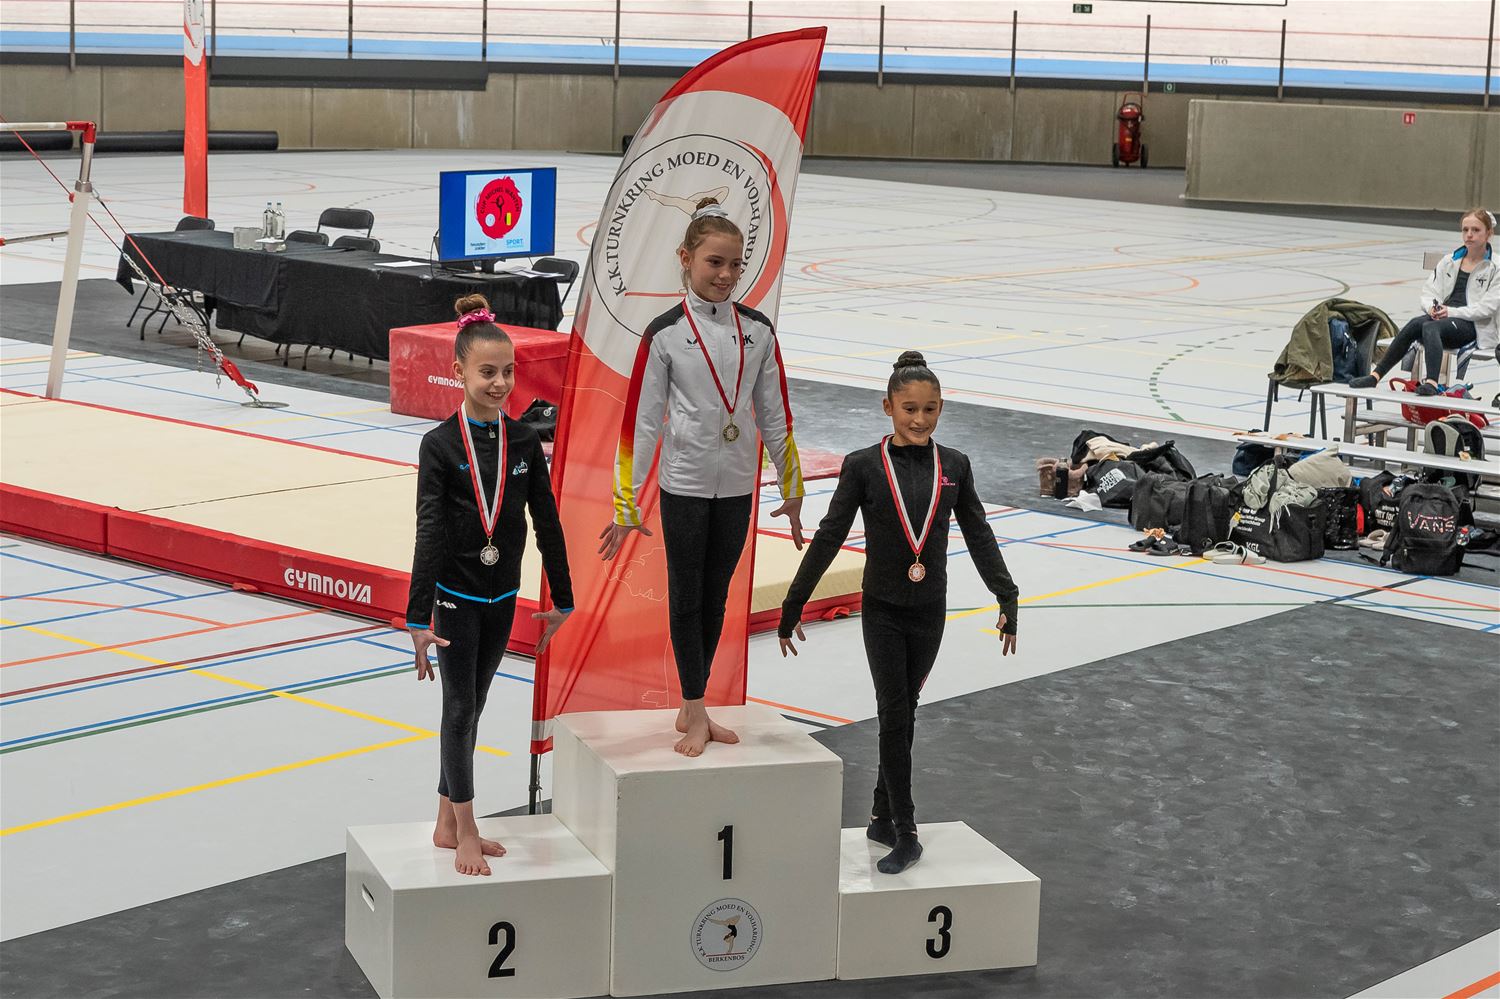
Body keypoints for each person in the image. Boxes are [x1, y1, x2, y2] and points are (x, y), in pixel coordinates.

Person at [778, 351, 1020, 875]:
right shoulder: (864, 465)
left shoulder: (954, 466)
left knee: (905, 709)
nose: (920, 419)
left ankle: (880, 816)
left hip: (930, 610)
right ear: (887, 407)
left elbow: (979, 533)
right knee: (893, 712)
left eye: (930, 409)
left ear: (941, 409)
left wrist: (1007, 596)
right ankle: (907, 833)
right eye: (909, 408)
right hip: (883, 609)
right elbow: (830, 535)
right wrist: (794, 602)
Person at [599, 197, 805, 758]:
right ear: (686, 258)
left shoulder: (758, 331)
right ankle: (694, 705)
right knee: (687, 597)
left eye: (736, 264)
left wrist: (791, 488)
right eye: (715, 262)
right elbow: (641, 424)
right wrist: (625, 503)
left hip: (737, 486)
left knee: (716, 600)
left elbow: (776, 415)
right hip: (685, 485)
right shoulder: (665, 333)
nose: (727, 275)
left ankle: (695, 705)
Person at [407, 294, 574, 877]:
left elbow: (547, 521)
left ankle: (444, 821)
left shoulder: (524, 441)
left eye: (508, 372)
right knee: (459, 710)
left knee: (473, 708)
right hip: (454, 596)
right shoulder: (439, 445)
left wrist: (564, 598)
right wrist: (417, 616)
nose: (500, 383)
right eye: (487, 372)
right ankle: (468, 829)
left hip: (502, 595)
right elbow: (429, 530)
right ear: (458, 371)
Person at [1351, 207, 1498, 395]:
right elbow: (1429, 292)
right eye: (1465, 229)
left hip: (1473, 325)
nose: (1469, 234)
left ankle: (1432, 383)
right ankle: (1375, 376)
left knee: (1430, 327)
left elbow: (1487, 308)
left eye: (1476, 230)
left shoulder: (1496, 267)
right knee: (1415, 323)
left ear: (1489, 233)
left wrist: (1450, 312)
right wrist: (1432, 308)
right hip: (1445, 318)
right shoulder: (1449, 261)